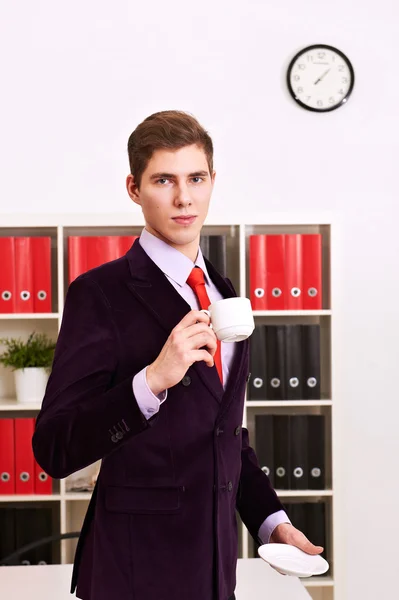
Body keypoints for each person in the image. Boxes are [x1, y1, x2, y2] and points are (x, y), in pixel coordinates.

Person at [32, 110, 323, 600]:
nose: (184, 197)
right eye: (164, 180)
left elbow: (225, 433)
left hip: (213, 571)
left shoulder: (223, 292)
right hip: (133, 572)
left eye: (196, 178)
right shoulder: (99, 294)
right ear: (133, 188)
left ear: (213, 182)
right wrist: (151, 381)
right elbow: (55, 448)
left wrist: (271, 522)